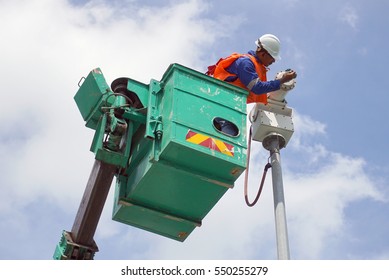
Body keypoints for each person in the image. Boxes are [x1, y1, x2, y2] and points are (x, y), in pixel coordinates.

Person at [206, 34, 297, 104]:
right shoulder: (246, 63)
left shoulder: (257, 67)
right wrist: (283, 80)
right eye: (272, 57)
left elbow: (258, 92)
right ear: (263, 54)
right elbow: (257, 88)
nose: (273, 61)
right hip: (226, 104)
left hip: (238, 107)